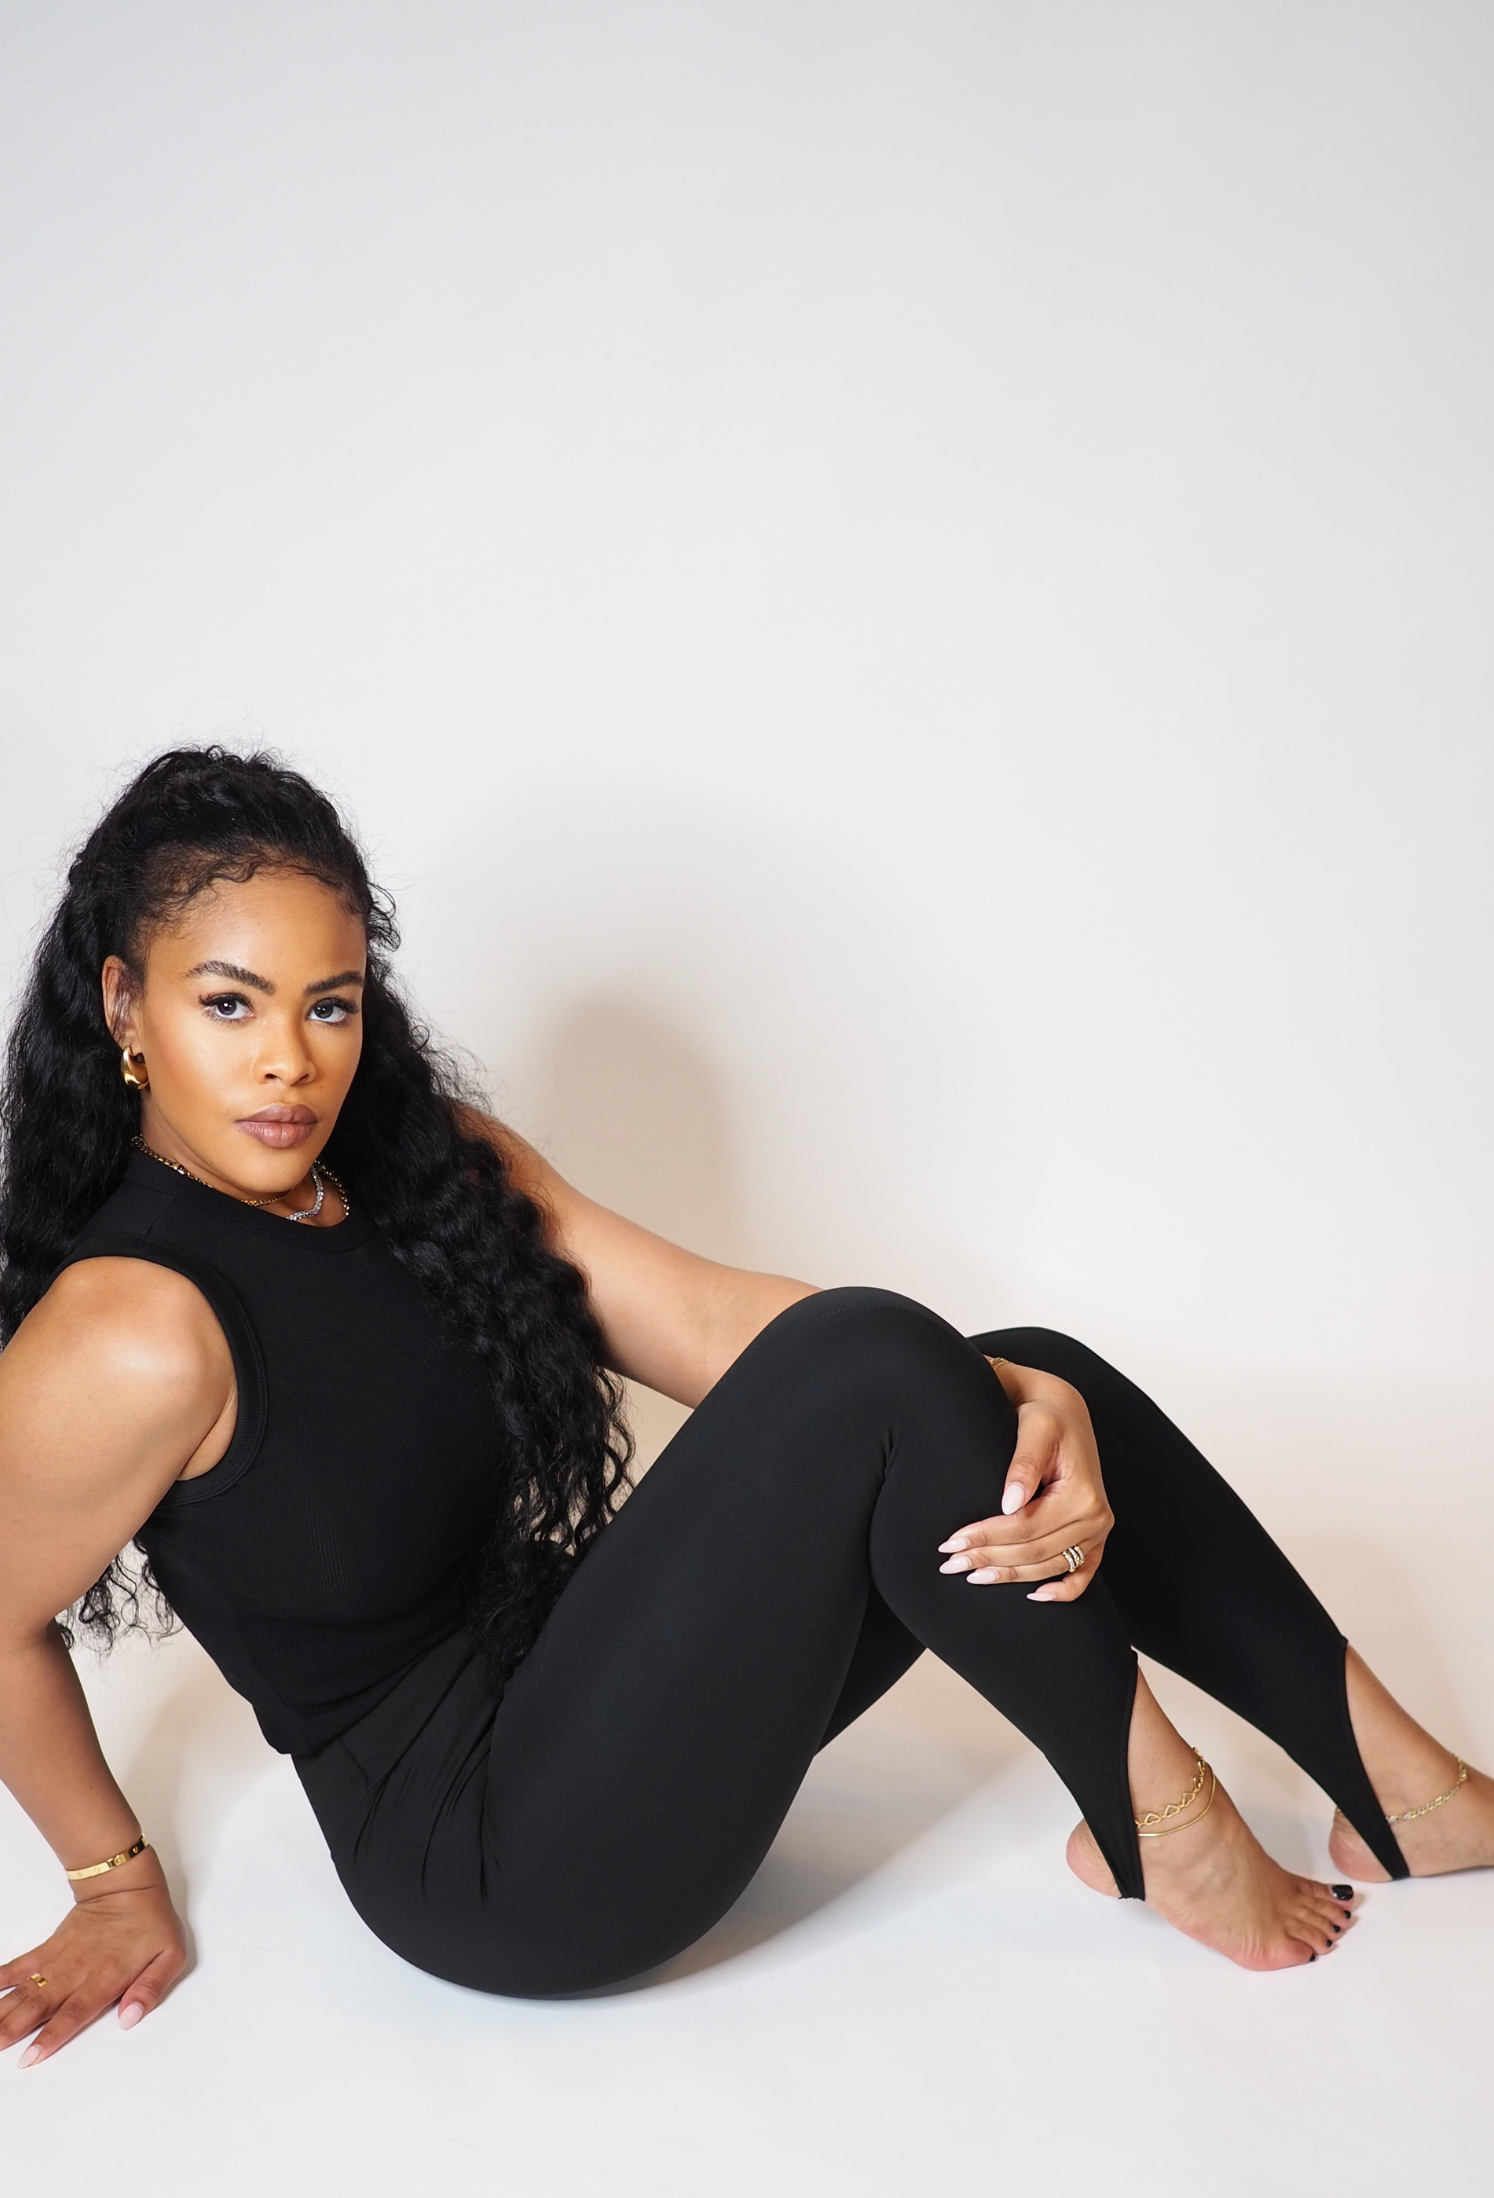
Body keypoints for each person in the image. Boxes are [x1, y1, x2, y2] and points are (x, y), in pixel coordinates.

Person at [0, 751, 1486, 2069]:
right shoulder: (136, 1325)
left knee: (1030, 1368)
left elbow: (716, 1326)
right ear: (125, 1003)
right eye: (228, 1004)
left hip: (587, 1689)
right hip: (499, 1861)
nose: (288, 1059)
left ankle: (1402, 1790)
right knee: (888, 1366)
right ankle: (1161, 1818)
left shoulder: (417, 1164)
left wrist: (1024, 1399)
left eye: (328, 1005)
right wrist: (113, 1880)